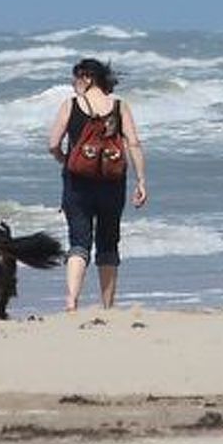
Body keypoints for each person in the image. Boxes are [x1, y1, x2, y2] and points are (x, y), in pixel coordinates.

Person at [45, 57, 148, 312]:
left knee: (79, 242)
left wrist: (65, 159)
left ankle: (71, 301)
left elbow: (52, 144)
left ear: (87, 77)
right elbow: (133, 143)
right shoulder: (119, 106)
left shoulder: (71, 105)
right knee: (108, 242)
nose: (73, 83)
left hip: (77, 182)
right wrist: (141, 180)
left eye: (75, 77)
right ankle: (108, 306)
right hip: (112, 183)